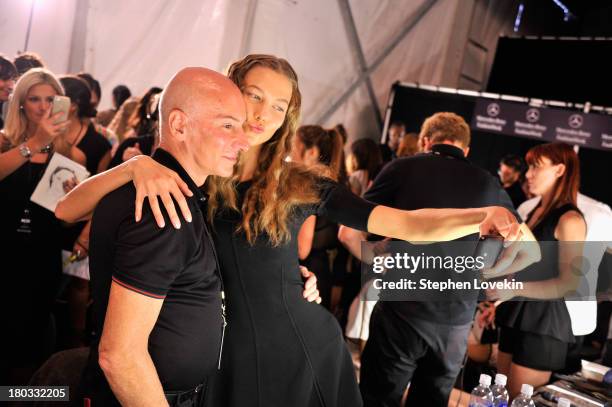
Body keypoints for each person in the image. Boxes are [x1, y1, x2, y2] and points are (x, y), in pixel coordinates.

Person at [56, 55, 522, 407]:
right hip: (213, 358)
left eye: (279, 106)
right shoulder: (194, 170)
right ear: (229, 90)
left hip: (295, 348)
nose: (262, 114)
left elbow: (402, 223)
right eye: (254, 95)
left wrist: (478, 217)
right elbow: (66, 208)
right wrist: (136, 166)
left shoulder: (302, 182)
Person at [338, 112, 538, 407]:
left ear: (424, 141)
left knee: (377, 399)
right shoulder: (489, 183)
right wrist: (484, 279)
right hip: (454, 323)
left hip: (400, 311)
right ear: (466, 150)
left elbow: (346, 233)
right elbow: (530, 251)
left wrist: (379, 263)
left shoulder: (401, 169)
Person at [495, 142, 586, 397]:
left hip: (544, 323)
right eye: (529, 167)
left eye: (536, 167)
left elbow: (569, 283)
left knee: (518, 400)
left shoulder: (570, 219)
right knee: (499, 395)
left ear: (559, 170)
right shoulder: (534, 211)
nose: (528, 174)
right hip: (517, 311)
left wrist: (511, 289)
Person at [0, 68, 70, 384]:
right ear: (21, 104)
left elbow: (71, 215)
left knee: (33, 340)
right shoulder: (4, 144)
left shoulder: (69, 153)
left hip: (44, 257)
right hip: (4, 253)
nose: (43, 107)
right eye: (34, 99)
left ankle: (21, 398)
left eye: (50, 100)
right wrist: (35, 143)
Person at [291, 124, 345, 309]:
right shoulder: (333, 182)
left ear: (311, 152)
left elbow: (301, 249)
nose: (290, 154)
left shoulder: (310, 187)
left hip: (311, 280)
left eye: (294, 147)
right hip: (325, 274)